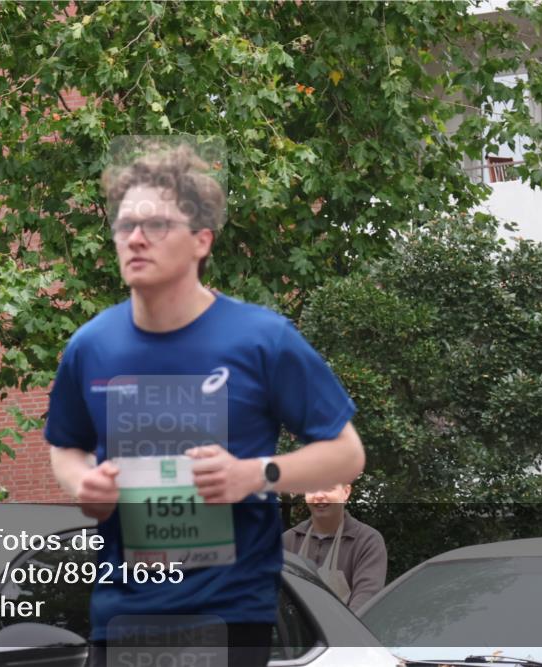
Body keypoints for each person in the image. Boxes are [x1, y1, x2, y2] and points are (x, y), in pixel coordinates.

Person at [44, 144, 365, 667]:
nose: (136, 238)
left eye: (157, 225)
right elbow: (66, 449)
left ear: (201, 241)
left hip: (228, 614)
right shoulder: (91, 346)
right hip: (122, 615)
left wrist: (255, 473)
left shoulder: (262, 340)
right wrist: (85, 484)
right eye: (125, 226)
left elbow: (346, 455)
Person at [282, 483, 387, 612]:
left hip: (345, 629)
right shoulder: (287, 541)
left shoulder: (367, 540)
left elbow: (366, 599)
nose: (319, 495)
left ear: (346, 492)